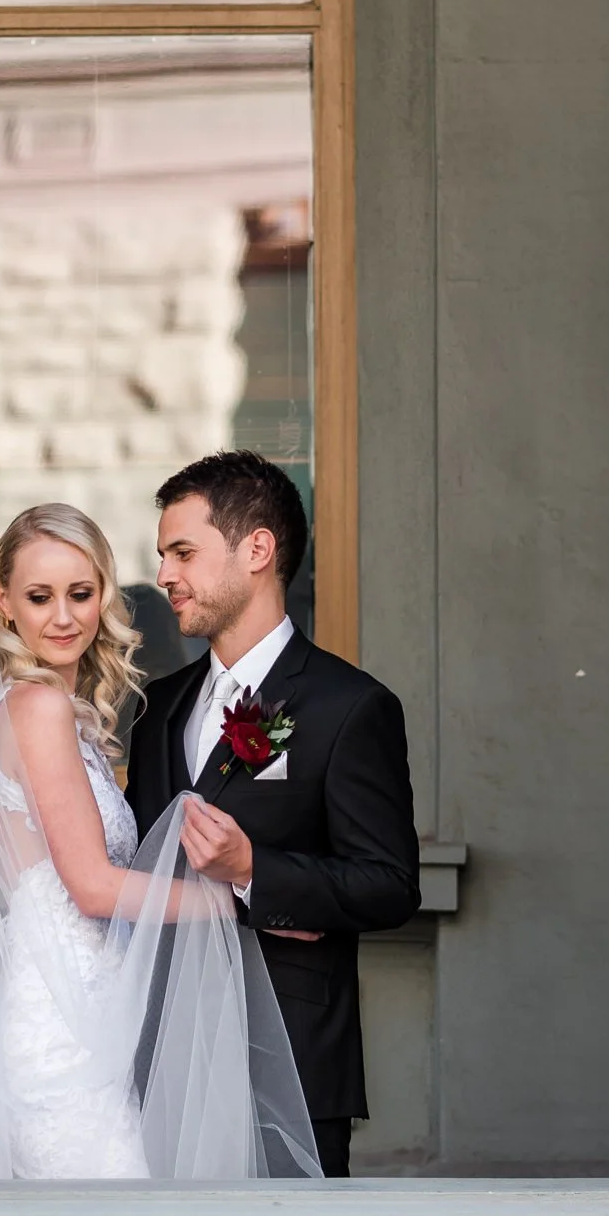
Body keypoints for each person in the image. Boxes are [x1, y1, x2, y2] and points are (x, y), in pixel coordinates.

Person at [0, 502, 323, 1179]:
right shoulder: (39, 708)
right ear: (3, 602)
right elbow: (91, 885)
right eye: (39, 596)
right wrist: (240, 903)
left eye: (81, 593)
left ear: (104, 598)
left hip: (80, 1016)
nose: (63, 616)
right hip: (61, 1037)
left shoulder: (34, 710)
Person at [125, 452, 423, 1178]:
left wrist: (257, 871)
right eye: (164, 555)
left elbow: (389, 884)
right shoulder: (158, 708)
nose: (165, 575)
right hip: (159, 1055)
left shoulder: (350, 707)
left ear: (257, 549)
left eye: (183, 552)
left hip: (288, 1058)